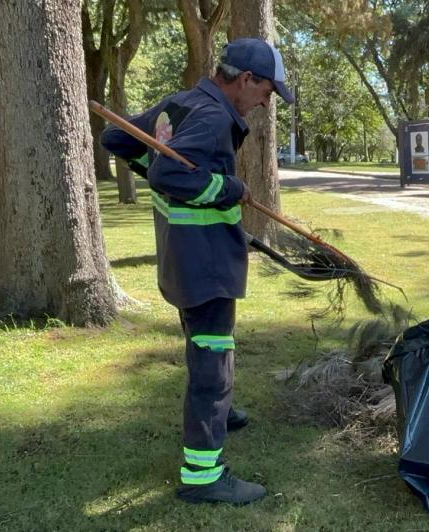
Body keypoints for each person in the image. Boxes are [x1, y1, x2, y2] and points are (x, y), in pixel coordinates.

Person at [101, 38, 295, 506]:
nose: (268, 101)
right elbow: (172, 176)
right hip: (204, 261)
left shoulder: (181, 103)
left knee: (202, 342)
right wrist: (227, 187)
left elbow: (119, 139)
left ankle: (218, 414)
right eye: (268, 90)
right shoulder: (212, 117)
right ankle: (203, 475)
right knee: (213, 360)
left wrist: (160, 165)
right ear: (246, 80)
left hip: (180, 255)